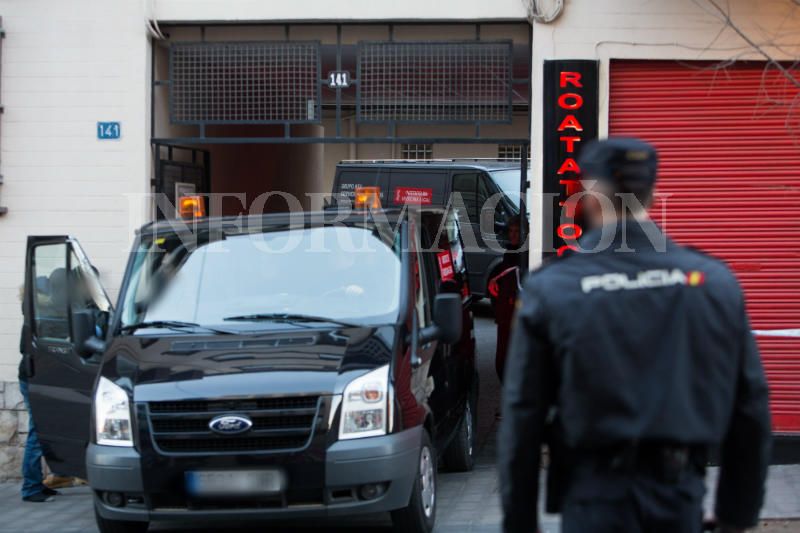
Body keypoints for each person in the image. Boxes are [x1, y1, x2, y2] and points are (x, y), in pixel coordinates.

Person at [498, 138, 771, 533]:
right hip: (678, 498)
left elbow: (522, 418)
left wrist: (520, 523)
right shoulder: (713, 282)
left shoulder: (552, 289)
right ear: (653, 194)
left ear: (586, 196)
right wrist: (736, 515)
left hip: (592, 501)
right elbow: (750, 406)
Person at [18, 322, 59, 503]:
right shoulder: (37, 317)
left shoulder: (37, 316)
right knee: (37, 434)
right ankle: (31, 488)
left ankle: (38, 483)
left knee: (42, 432)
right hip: (35, 381)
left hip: (37, 380)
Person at [489, 215, 521, 383]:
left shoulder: (525, 255)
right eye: (511, 231)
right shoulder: (510, 253)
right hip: (505, 314)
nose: (513, 235)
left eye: (517, 231)